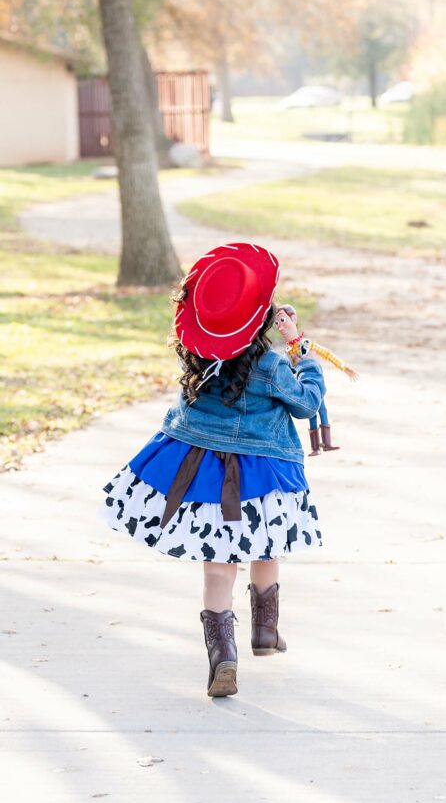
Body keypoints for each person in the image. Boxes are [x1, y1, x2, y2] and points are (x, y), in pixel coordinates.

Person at [97, 242, 326, 698]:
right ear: (262, 321)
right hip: (262, 476)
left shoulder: (197, 358)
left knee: (218, 568)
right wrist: (302, 349)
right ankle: (265, 631)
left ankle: (223, 655)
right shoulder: (271, 364)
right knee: (266, 547)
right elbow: (307, 404)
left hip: (204, 476)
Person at [273, 303, 358, 456]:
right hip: (304, 386)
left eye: (283, 321)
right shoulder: (287, 352)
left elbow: (326, 354)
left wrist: (344, 367)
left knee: (322, 410)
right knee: (311, 414)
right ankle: (315, 447)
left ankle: (326, 443)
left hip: (316, 385)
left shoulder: (307, 344)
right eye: (276, 323)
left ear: (294, 319)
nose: (280, 327)